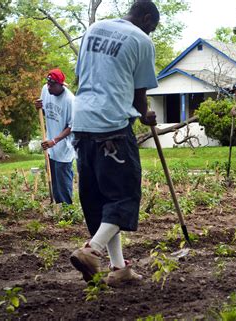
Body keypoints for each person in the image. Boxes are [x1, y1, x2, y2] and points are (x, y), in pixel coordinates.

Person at [69, 1, 159, 286]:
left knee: (102, 200)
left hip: (81, 123)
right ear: (146, 18)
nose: (151, 32)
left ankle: (119, 269)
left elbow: (80, 76)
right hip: (113, 127)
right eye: (152, 27)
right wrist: (146, 116)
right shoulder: (141, 40)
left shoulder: (94, 29)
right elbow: (138, 94)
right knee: (124, 195)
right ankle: (91, 251)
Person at [35, 69, 76, 205]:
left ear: (61, 85)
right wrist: (39, 108)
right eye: (48, 84)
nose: (49, 87)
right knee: (53, 178)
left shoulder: (70, 100)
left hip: (64, 147)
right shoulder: (45, 90)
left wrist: (55, 140)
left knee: (63, 180)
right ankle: (57, 207)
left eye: (52, 85)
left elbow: (72, 126)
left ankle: (67, 211)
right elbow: (46, 112)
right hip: (50, 146)